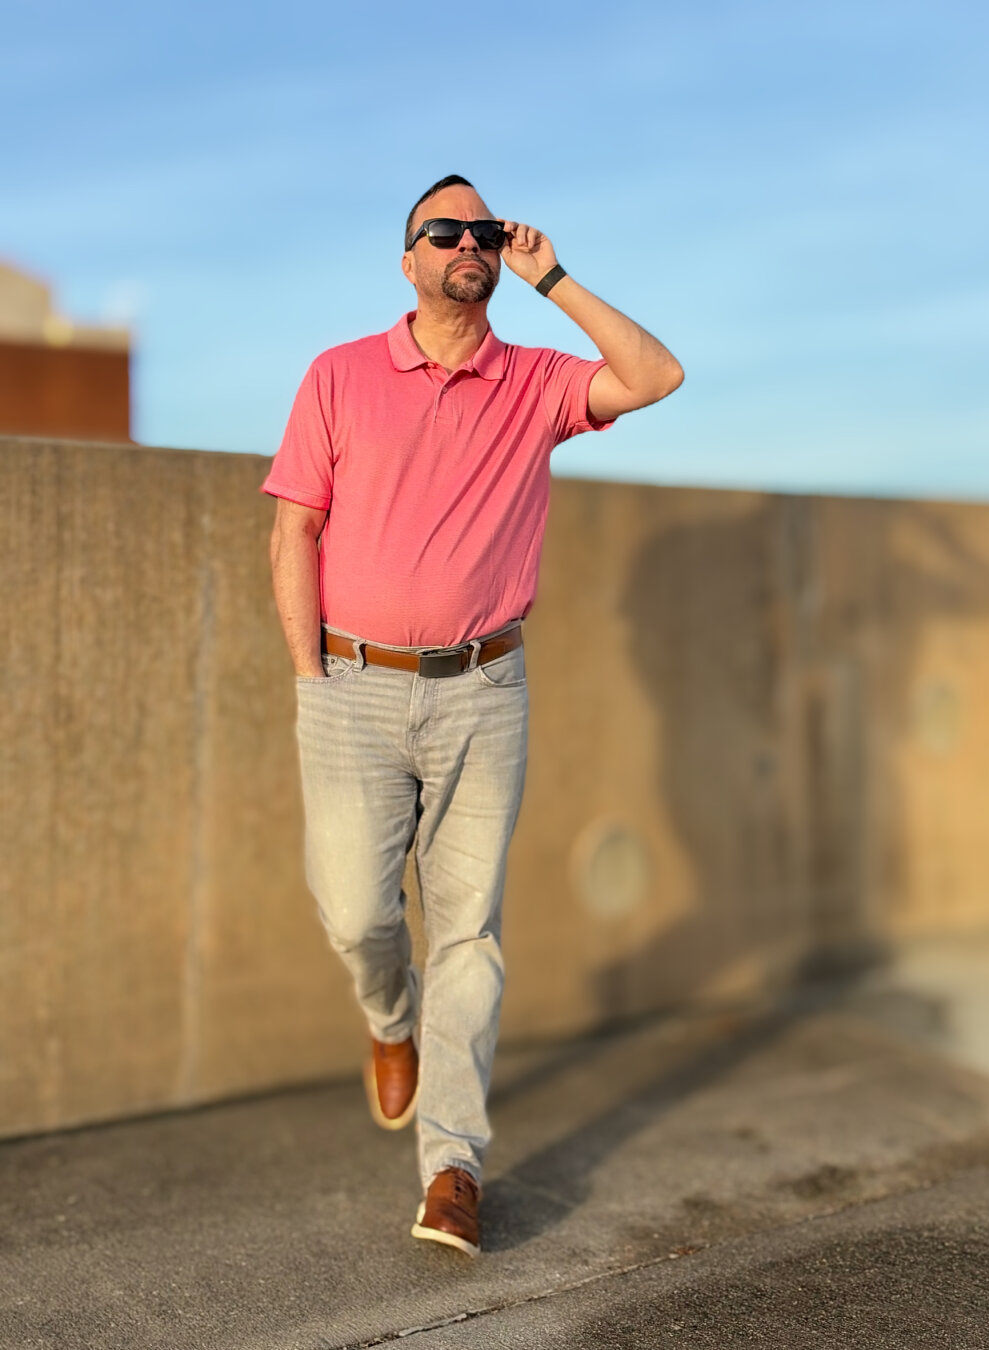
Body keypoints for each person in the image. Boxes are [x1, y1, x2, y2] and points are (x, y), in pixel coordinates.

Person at [262, 174, 683, 1256]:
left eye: (483, 231)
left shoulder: (536, 382)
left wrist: (555, 277)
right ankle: (388, 1020)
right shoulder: (339, 374)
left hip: (484, 691)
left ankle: (452, 1167)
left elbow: (655, 375)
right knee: (355, 913)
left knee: (468, 934)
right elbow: (294, 530)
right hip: (350, 686)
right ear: (407, 260)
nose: (466, 242)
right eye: (442, 230)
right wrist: (310, 676)